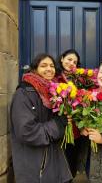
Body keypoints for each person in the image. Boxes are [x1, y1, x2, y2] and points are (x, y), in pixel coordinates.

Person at [10, 53, 72, 183]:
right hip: (37, 169)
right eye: (43, 66)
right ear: (34, 69)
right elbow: (27, 132)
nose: (49, 69)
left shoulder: (53, 91)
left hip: (53, 163)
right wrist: (58, 125)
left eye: (52, 65)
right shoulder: (24, 93)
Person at [57, 49, 89, 178]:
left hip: (76, 128)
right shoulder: (55, 77)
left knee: (72, 162)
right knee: (60, 163)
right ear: (62, 59)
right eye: (69, 59)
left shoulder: (80, 79)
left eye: (75, 62)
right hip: (60, 128)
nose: (71, 63)